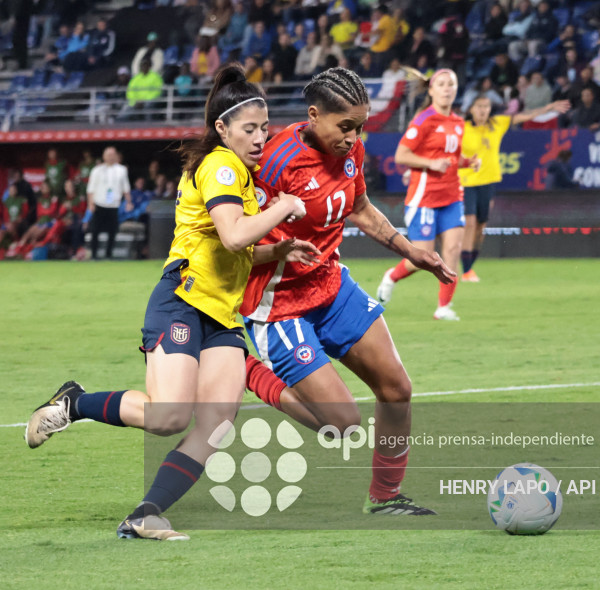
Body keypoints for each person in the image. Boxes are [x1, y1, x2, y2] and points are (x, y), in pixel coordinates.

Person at [24, 63, 312, 541]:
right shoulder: (222, 164)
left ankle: (146, 514)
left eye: (265, 127)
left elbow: (234, 247)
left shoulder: (238, 171)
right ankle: (74, 403)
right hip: (183, 299)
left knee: (217, 423)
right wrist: (283, 207)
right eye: (250, 128)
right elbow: (234, 233)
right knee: (169, 416)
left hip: (220, 312)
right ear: (222, 128)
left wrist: (277, 250)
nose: (262, 137)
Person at [241, 67, 455, 515]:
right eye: (345, 126)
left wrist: (408, 249)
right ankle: (243, 368)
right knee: (341, 424)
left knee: (397, 388)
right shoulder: (275, 162)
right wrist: (280, 249)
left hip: (331, 286)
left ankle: (386, 497)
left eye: (360, 126)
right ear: (314, 115)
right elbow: (237, 241)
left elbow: (358, 207)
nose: (353, 136)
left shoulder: (351, 151)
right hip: (279, 304)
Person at [376, 69, 471, 320]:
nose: (447, 88)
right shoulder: (424, 120)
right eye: (441, 84)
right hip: (425, 198)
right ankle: (391, 276)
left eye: (451, 84)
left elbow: (451, 157)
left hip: (452, 196)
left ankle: (443, 307)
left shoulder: (458, 122)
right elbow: (401, 155)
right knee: (424, 258)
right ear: (431, 90)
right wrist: (430, 163)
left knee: (452, 250)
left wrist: (467, 162)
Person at [456, 95, 570, 282]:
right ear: (471, 110)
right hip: (466, 182)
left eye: (486, 106)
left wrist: (549, 107)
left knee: (480, 226)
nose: (483, 110)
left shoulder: (497, 124)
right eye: (479, 106)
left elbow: (524, 116)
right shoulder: (462, 127)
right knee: (469, 223)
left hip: (488, 181)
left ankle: (470, 266)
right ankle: (466, 270)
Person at [86, 146, 133, 260]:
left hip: (114, 205)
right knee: (95, 230)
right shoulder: (97, 170)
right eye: (108, 155)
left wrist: (129, 202)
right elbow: (90, 189)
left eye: (112, 155)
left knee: (112, 230)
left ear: (116, 156)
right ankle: (94, 254)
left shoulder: (121, 170)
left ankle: (108, 253)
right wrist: (90, 204)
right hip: (99, 203)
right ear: (104, 156)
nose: (110, 157)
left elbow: (126, 187)